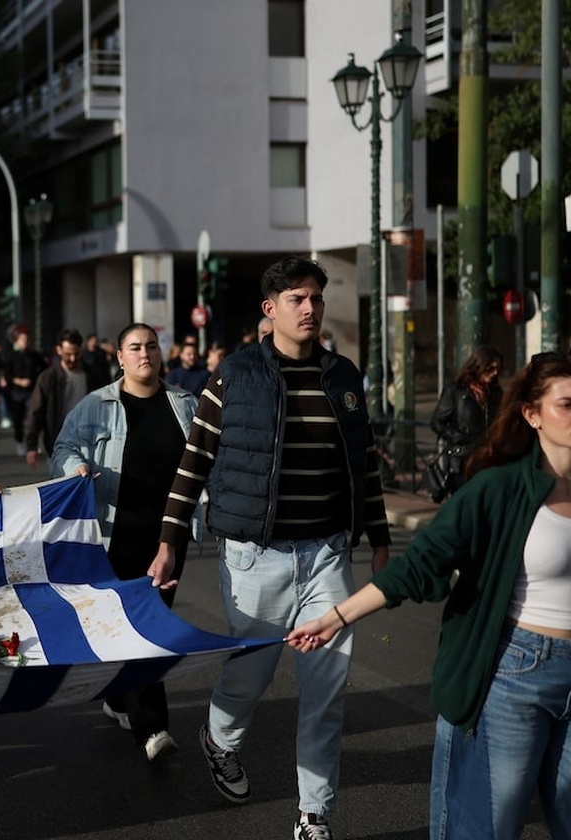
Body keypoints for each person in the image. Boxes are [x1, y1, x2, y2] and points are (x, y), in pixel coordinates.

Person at [288, 352, 571, 840]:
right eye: (567, 404)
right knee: (487, 826)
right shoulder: (499, 488)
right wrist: (336, 617)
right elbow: (421, 563)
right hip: (514, 673)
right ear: (532, 414)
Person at [149, 256, 390, 840]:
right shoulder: (234, 375)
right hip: (256, 556)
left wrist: (379, 535)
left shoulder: (343, 376)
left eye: (316, 298)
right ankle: (220, 740)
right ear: (271, 309)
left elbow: (363, 462)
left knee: (325, 691)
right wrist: (169, 542)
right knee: (250, 678)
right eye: (296, 299)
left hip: (328, 554)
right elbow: (194, 461)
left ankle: (314, 815)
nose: (310, 309)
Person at [49, 323, 199, 761]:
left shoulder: (184, 404)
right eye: (135, 347)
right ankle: (153, 729)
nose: (144, 354)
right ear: (119, 357)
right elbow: (63, 448)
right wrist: (75, 467)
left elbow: (206, 459)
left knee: (150, 622)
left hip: (169, 535)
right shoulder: (95, 406)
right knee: (141, 628)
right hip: (115, 532)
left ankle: (118, 698)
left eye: (151, 346)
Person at [24, 329, 108, 469]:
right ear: (59, 350)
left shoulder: (93, 375)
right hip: (58, 443)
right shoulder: (48, 378)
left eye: (76, 354)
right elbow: (36, 412)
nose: (73, 359)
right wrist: (31, 446)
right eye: (68, 354)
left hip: (90, 442)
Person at [430, 345, 503, 495]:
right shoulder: (456, 391)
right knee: (464, 501)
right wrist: (459, 437)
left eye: (497, 369)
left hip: (487, 458)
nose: (495, 373)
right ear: (478, 366)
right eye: (490, 369)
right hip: (462, 459)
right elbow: (437, 423)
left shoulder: (496, 392)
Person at [1, 328, 44, 457]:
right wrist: (18, 381)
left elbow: (43, 370)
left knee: (33, 418)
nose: (25, 342)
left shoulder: (35, 356)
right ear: (17, 341)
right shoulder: (11, 356)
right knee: (18, 419)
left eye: (27, 339)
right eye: (22, 339)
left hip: (32, 391)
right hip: (17, 392)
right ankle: (20, 442)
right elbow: (6, 374)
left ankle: (32, 444)